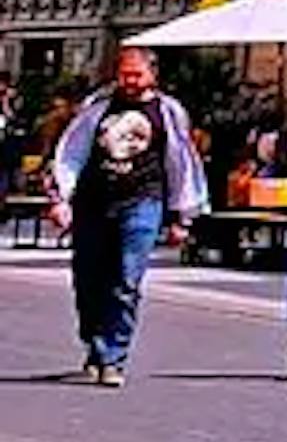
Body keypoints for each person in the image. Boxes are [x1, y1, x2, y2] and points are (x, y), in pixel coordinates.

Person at [46, 46, 209, 387]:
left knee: (126, 280)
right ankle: (95, 339)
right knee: (88, 279)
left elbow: (180, 162)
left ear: (153, 75)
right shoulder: (98, 106)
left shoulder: (167, 112)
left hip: (142, 201)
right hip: (93, 203)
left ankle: (113, 358)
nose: (130, 81)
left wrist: (183, 216)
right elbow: (71, 151)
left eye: (136, 74)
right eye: (124, 74)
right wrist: (62, 197)